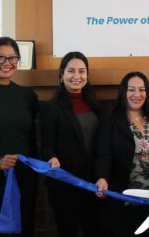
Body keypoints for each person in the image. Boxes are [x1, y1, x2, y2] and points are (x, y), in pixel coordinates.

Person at [95, 71, 149, 237]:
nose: (137, 94)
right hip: (125, 201)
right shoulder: (111, 123)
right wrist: (102, 177)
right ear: (123, 93)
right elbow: (103, 155)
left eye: (142, 90)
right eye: (131, 90)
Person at [40, 52, 100, 237]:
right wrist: (52, 158)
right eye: (71, 71)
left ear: (87, 76)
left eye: (82, 71)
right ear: (61, 75)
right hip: (65, 184)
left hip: (93, 183)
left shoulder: (94, 104)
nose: (77, 76)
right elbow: (46, 145)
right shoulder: (51, 107)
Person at [0, 37, 39, 237]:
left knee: (24, 227)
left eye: (12, 58)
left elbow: (32, 139)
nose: (7, 63)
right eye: (1, 57)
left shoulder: (27, 96)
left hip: (23, 177)